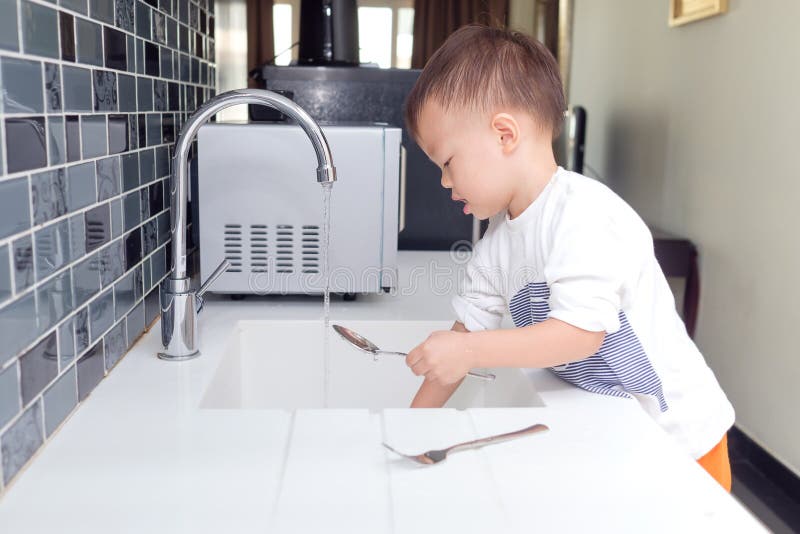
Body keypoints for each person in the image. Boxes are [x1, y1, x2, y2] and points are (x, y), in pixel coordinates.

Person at [402, 24, 734, 491]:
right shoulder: (496, 243)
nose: (443, 182)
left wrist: (468, 350)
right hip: (618, 435)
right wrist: (407, 427)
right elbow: (465, 336)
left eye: (448, 163)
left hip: (680, 441)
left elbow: (579, 335)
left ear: (504, 135)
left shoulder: (584, 215)